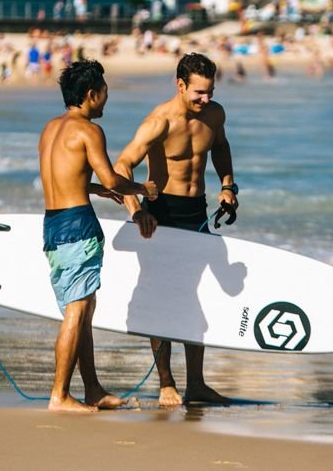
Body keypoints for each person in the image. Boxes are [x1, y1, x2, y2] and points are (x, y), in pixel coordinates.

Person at [115, 52, 239, 407]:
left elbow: (221, 147)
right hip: (161, 213)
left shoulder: (214, 114)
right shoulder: (160, 121)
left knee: (196, 296)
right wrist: (137, 211)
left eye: (210, 91)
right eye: (199, 92)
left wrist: (228, 185)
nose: (206, 99)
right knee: (163, 297)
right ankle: (166, 383)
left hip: (196, 212)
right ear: (180, 85)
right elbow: (122, 165)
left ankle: (196, 384)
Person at [38, 60, 158, 413]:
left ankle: (92, 389)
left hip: (53, 224)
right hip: (78, 225)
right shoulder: (88, 131)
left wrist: (96, 190)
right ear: (91, 95)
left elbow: (63, 178)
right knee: (77, 310)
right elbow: (111, 179)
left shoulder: (49, 130)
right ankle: (59, 395)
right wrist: (141, 188)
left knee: (83, 307)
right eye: (104, 92)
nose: (106, 98)